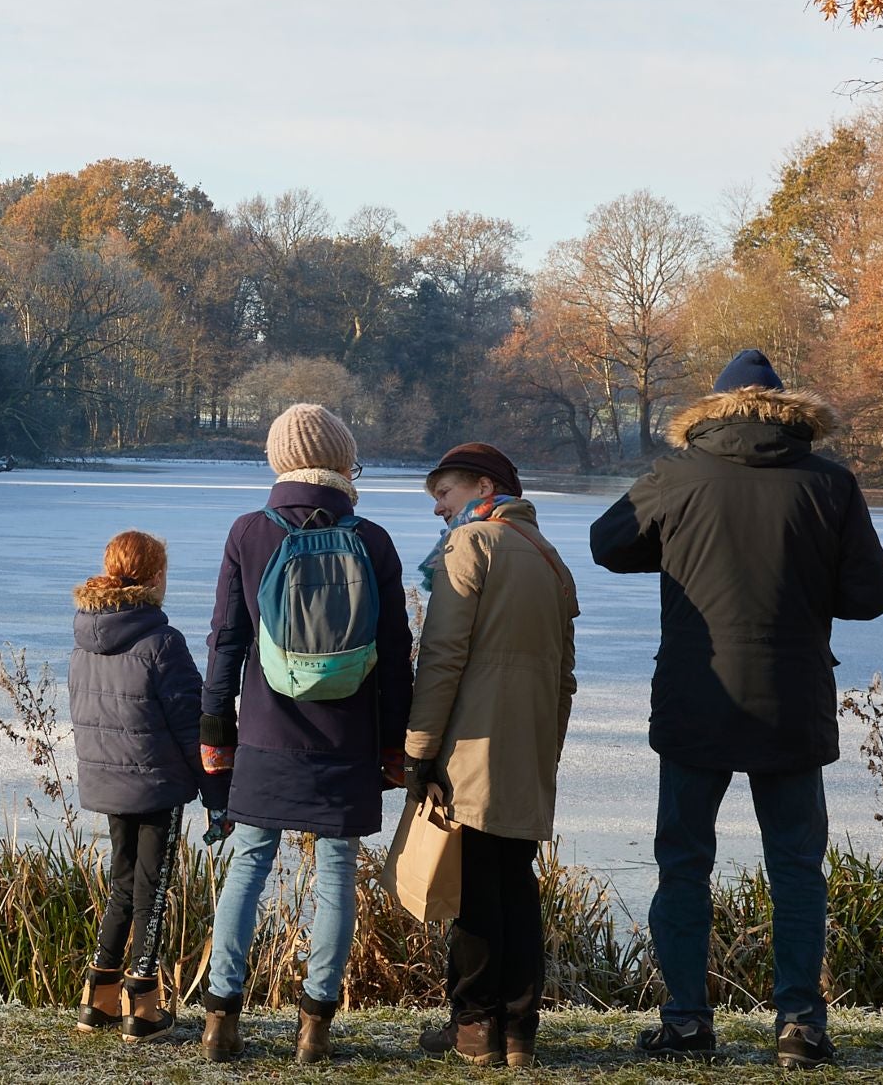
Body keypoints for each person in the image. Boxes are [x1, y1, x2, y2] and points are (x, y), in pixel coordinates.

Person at [591, 350, 883, 1070]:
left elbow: (609, 544)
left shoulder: (678, 474)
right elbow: (872, 594)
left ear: (715, 406)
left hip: (696, 698)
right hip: (792, 699)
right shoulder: (829, 483)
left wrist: (676, 548)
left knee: (683, 863)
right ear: (785, 405)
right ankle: (799, 1027)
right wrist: (810, 582)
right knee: (795, 867)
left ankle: (688, 1023)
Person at [195, 402, 413, 1065]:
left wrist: (214, 733)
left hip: (265, 732)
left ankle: (220, 1023)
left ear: (280, 460)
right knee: (338, 872)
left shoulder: (247, 533)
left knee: (249, 861)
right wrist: (394, 744)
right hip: (348, 735)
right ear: (343, 459)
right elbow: (397, 652)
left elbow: (226, 640)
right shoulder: (372, 539)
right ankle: (314, 1029)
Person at [401, 442, 578, 1068]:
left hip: (469, 746)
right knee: (515, 883)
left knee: (474, 886)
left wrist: (419, 749)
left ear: (482, 486)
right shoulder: (551, 559)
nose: (438, 511)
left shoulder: (471, 545)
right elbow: (565, 678)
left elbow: (443, 655)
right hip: (528, 746)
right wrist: (546, 750)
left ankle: (474, 1025)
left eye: (444, 495)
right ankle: (519, 1030)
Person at [69, 528, 203, 1040]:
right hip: (157, 785)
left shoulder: (84, 638)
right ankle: (142, 1007)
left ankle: (97, 998)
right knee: (153, 890)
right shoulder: (161, 641)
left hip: (108, 780)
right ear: (155, 576)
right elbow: (192, 725)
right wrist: (216, 792)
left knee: (123, 884)